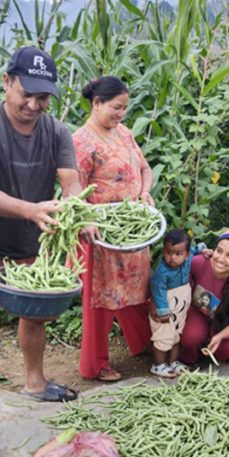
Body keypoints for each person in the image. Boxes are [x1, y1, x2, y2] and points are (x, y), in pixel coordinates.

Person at [0, 46, 82, 457]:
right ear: (7, 82)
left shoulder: (57, 132)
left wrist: (76, 211)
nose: (32, 105)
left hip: (33, 242)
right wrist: (32, 210)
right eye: (24, 93)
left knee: (35, 314)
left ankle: (34, 381)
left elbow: (70, 182)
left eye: (42, 98)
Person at [73, 76, 154, 382]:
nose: (121, 114)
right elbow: (73, 192)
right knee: (102, 299)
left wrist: (144, 192)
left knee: (136, 287)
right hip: (102, 234)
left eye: (125, 108)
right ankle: (94, 364)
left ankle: (145, 343)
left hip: (132, 228)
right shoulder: (81, 142)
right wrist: (87, 218)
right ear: (96, 103)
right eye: (116, 107)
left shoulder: (124, 133)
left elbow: (145, 169)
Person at [179, 226, 229, 364]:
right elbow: (177, 265)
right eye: (219, 251)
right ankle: (190, 359)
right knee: (191, 337)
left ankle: (216, 347)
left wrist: (220, 336)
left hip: (225, 322)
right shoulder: (200, 263)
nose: (221, 259)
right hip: (199, 314)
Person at [148, 229, 206, 377]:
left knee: (177, 335)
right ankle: (159, 365)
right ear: (163, 251)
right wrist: (162, 311)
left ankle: (174, 362)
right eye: (168, 252)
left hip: (180, 309)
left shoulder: (187, 259)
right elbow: (158, 291)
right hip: (167, 309)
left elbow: (194, 250)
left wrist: (203, 249)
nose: (172, 257)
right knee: (163, 336)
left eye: (178, 254)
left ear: (186, 255)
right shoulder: (162, 273)